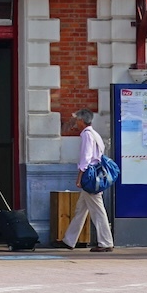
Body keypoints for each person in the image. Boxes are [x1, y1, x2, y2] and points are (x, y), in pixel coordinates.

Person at [57, 108, 114, 253]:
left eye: (77, 119)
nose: (76, 122)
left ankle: (105, 242)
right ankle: (69, 240)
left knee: (97, 210)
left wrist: (79, 178)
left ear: (82, 121)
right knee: (81, 209)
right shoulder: (95, 134)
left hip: (90, 177)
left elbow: (86, 158)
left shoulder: (87, 135)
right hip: (96, 176)